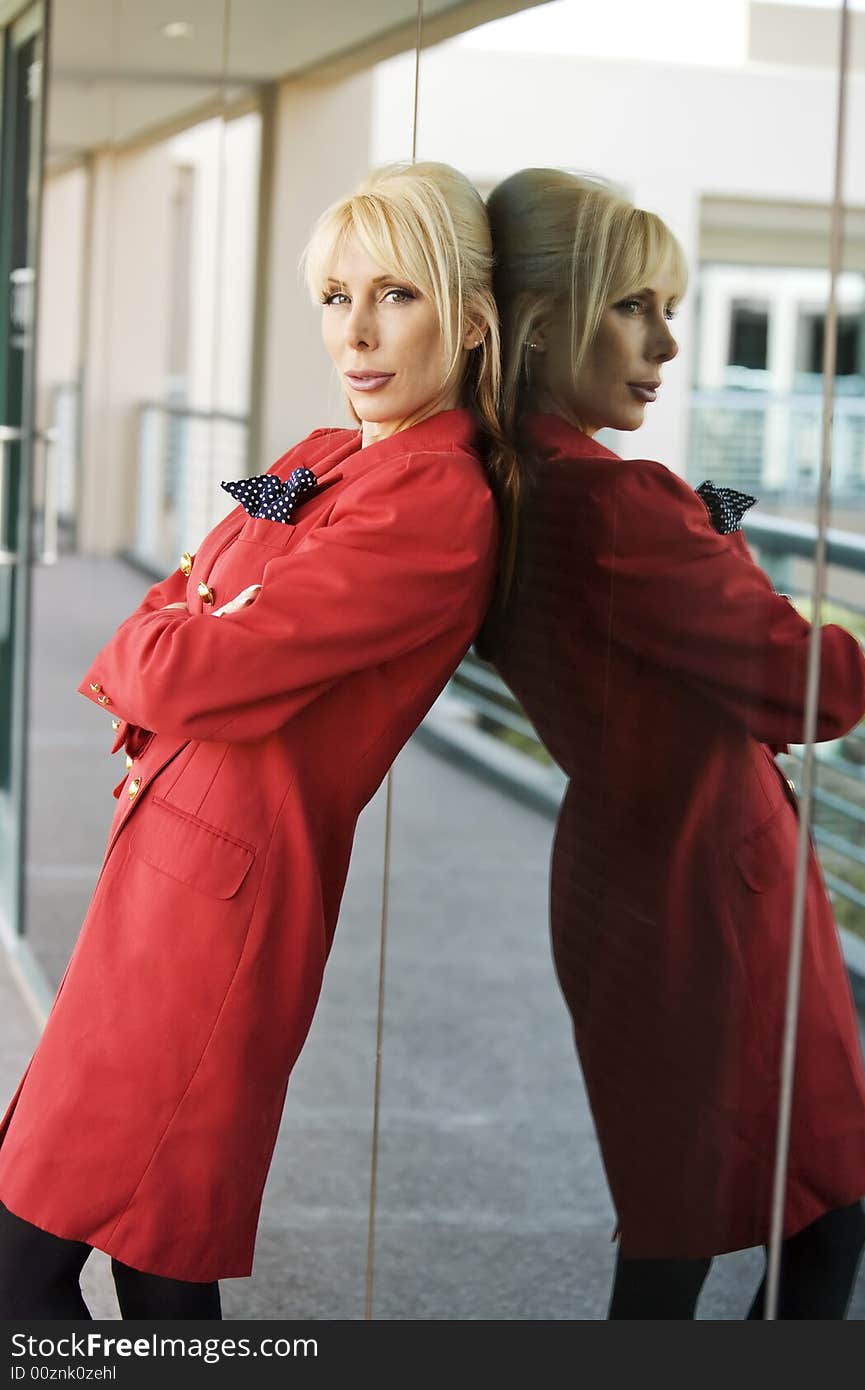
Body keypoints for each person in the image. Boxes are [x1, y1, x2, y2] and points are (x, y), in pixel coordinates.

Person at [0, 161, 517, 1319]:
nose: (358, 332)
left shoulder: (434, 500)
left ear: (472, 320)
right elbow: (175, 610)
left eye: (396, 295)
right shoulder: (318, 459)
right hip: (168, 876)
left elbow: (186, 649)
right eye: (336, 297)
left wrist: (194, 627)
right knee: (148, 1259)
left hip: (218, 915)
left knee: (58, 1255)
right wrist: (191, 629)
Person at [480, 167, 865, 1319]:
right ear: (545, 322)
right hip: (711, 891)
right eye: (633, 306)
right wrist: (721, 544)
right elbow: (825, 688)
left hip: (637, 866)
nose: (663, 341)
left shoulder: (513, 483)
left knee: (697, 1214)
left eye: (670, 309)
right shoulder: (618, 504)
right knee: (780, 1218)